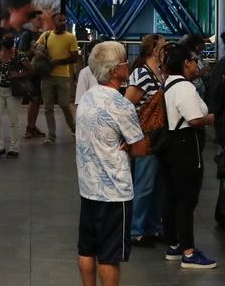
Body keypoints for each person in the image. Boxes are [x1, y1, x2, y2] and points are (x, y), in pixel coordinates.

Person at [75, 40, 147, 286]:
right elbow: (140, 148)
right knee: (109, 255)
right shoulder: (120, 104)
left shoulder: (86, 98)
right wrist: (129, 141)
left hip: (88, 187)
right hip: (114, 192)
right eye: (125, 61)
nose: (128, 65)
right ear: (116, 70)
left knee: (87, 249)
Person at [158, 44, 217, 269]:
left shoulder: (168, 84)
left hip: (168, 145)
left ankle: (174, 244)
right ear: (186, 63)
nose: (196, 64)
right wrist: (210, 118)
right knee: (186, 200)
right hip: (185, 146)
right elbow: (193, 119)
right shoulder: (185, 87)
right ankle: (189, 252)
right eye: (194, 60)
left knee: (171, 195)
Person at [125, 32, 165, 246]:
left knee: (158, 185)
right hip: (145, 137)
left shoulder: (160, 73)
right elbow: (126, 104)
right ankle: (136, 230)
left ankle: (153, 226)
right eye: (163, 47)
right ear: (155, 50)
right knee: (144, 185)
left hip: (159, 137)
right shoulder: (142, 73)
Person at [38, 12, 79, 145]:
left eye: (64, 20)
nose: (63, 22)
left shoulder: (70, 38)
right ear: (53, 22)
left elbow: (74, 57)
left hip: (62, 76)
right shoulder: (46, 35)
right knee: (48, 107)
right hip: (47, 76)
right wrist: (39, 52)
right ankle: (51, 136)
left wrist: (58, 62)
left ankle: (74, 130)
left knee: (65, 105)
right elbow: (35, 47)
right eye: (60, 20)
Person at [0, 32, 30, 159]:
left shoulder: (19, 55)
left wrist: (17, 75)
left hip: (13, 90)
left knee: (14, 120)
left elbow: (31, 69)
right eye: (7, 38)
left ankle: (14, 148)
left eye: (10, 39)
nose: (8, 40)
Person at [19, 16, 46, 138]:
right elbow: (21, 53)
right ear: (32, 20)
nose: (41, 21)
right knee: (34, 99)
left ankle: (32, 125)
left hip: (39, 71)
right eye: (38, 19)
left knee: (37, 100)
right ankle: (29, 127)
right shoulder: (27, 35)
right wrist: (32, 51)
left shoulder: (43, 35)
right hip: (30, 71)